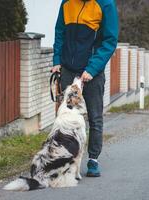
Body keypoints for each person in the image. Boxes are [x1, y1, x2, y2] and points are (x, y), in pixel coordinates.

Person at [51, 0, 119, 177]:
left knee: (95, 117)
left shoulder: (105, 4)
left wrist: (92, 68)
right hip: (68, 69)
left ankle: (93, 160)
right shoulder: (67, 2)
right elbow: (60, 32)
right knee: (65, 117)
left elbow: (110, 41)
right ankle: (65, 159)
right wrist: (57, 60)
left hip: (92, 73)